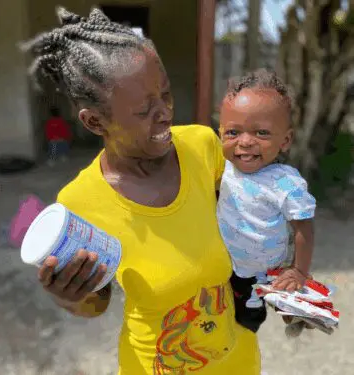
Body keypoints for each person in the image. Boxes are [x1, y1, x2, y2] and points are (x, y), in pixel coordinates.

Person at [21, 7, 260, 375]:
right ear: (95, 121)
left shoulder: (201, 146)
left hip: (238, 357)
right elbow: (97, 302)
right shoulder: (80, 203)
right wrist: (72, 299)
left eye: (165, 95)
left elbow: (233, 228)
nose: (165, 113)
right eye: (145, 109)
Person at [217, 69, 316, 334]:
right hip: (224, 267)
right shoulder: (222, 168)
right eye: (233, 133)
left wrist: (298, 271)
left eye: (261, 133)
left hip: (266, 271)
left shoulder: (285, 182)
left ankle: (291, 310)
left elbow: (303, 228)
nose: (245, 142)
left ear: (285, 140)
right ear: (220, 134)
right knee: (220, 314)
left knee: (249, 319)